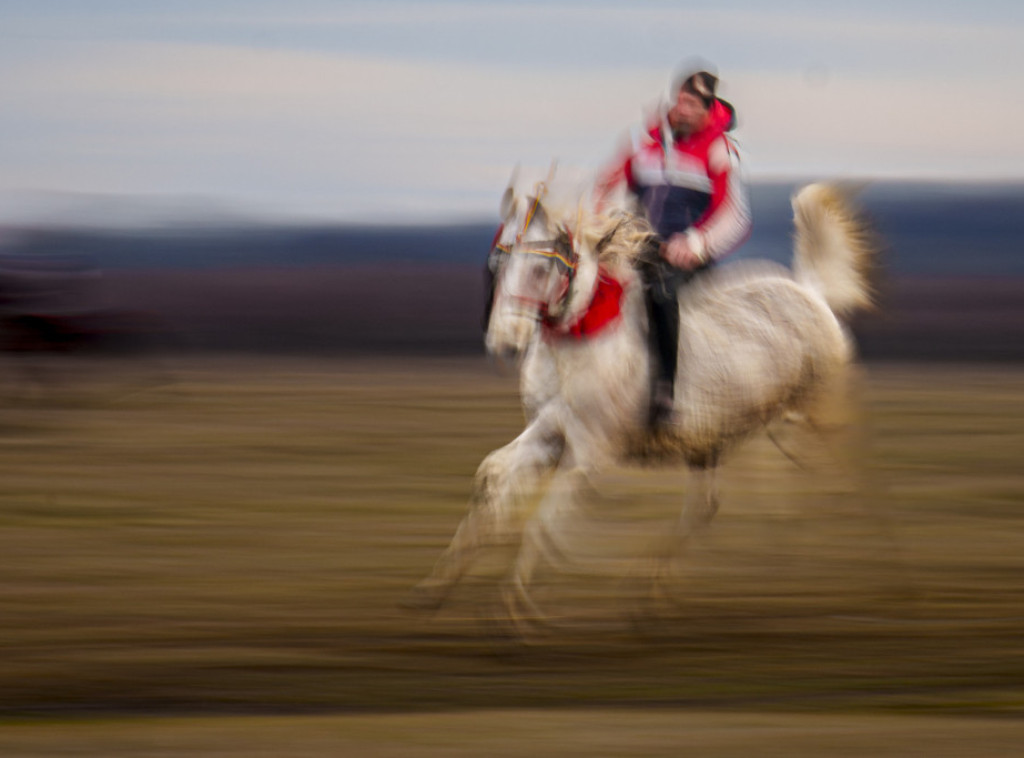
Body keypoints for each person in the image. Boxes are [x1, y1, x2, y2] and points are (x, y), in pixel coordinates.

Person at [595, 62, 752, 426]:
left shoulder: (719, 151)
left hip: (687, 253)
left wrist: (696, 244)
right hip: (642, 243)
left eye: (692, 104)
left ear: (708, 110)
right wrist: (601, 212)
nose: (683, 109)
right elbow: (613, 184)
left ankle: (665, 392)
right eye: (680, 100)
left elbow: (735, 215)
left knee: (661, 292)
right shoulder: (646, 142)